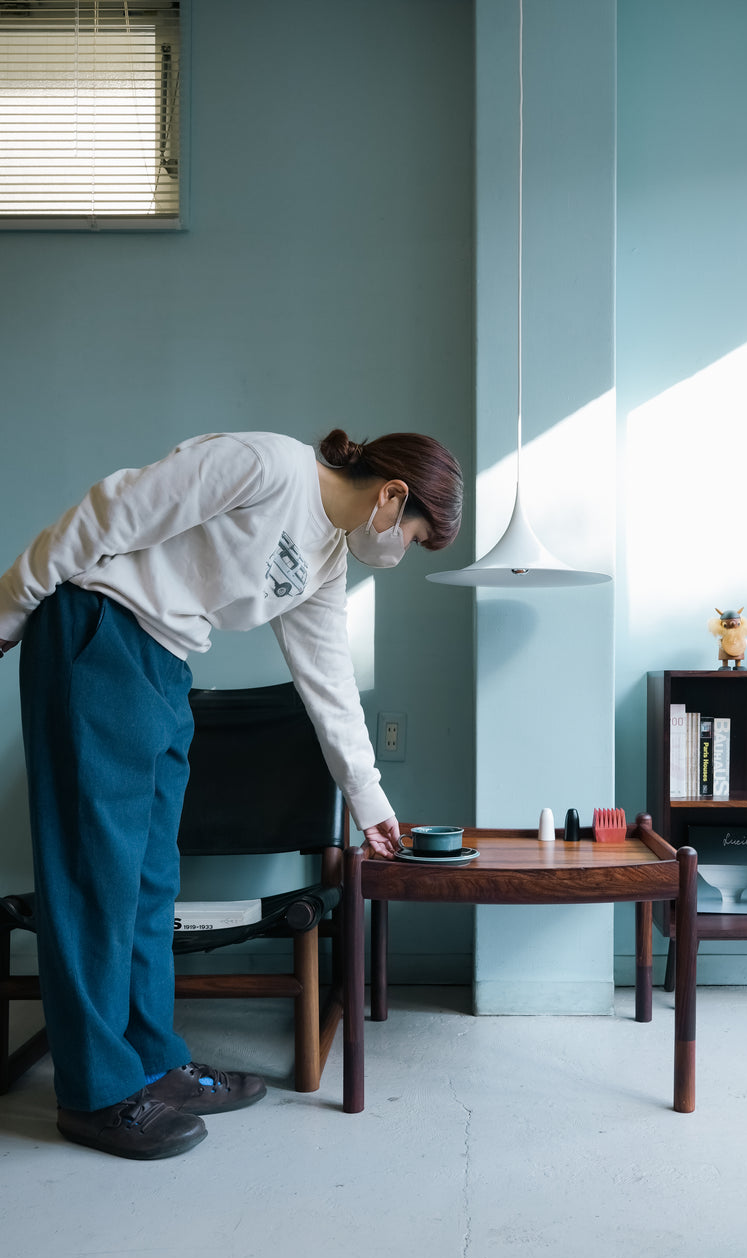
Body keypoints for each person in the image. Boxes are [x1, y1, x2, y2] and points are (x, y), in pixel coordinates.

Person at [0, 427, 462, 1159]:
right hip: (98, 629)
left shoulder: (327, 558)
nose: (399, 551)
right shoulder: (268, 465)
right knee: (96, 882)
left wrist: (371, 803)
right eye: (411, 536)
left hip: (167, 662)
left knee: (151, 883)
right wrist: (8, 607)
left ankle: (152, 1063)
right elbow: (111, 509)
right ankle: (93, 1095)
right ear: (393, 495)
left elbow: (329, 682)